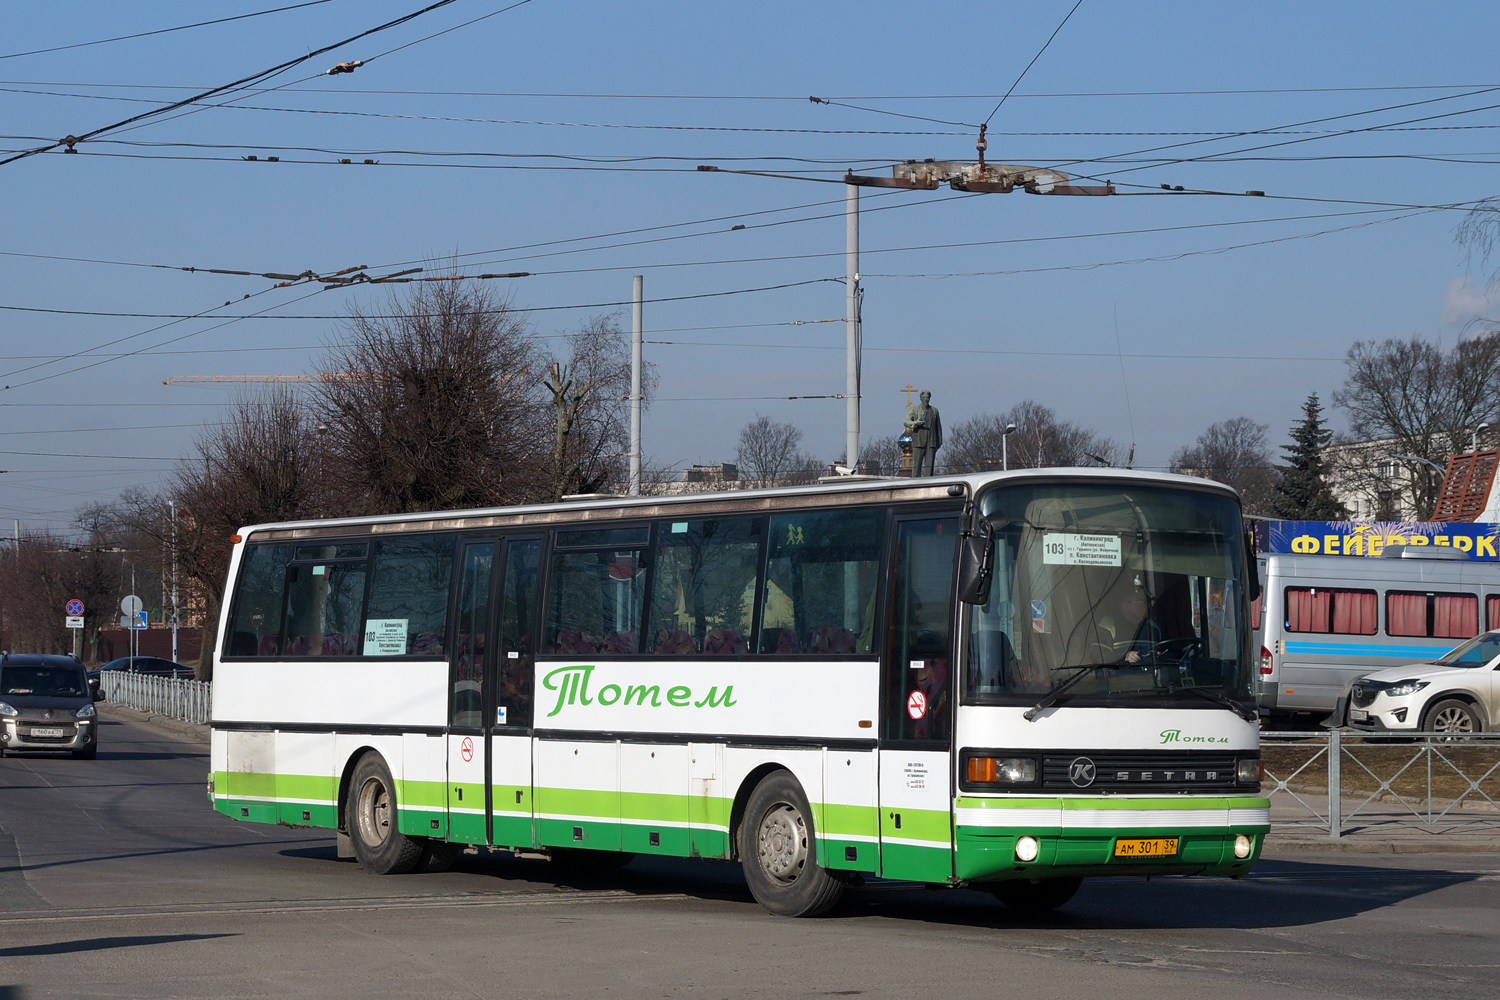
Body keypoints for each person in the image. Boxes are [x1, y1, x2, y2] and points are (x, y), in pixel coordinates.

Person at [904, 390, 943, 477]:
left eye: (928, 398)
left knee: (930, 467)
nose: (926, 400)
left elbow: (938, 428)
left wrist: (939, 442)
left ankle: (928, 484)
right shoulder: (915, 409)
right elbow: (906, 421)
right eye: (924, 398)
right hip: (919, 442)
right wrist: (915, 423)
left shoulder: (934, 411)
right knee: (916, 466)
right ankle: (915, 483)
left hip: (931, 442)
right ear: (921, 398)